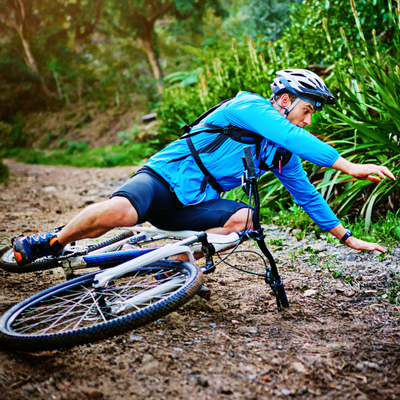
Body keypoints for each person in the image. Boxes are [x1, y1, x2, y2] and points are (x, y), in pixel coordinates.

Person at [13, 69, 395, 266]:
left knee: (246, 219)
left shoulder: (279, 152)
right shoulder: (248, 106)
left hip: (192, 205)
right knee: (123, 212)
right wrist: (347, 165)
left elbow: (308, 196)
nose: (308, 120)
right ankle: (51, 242)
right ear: (283, 99)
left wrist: (347, 237)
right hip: (165, 179)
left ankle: (176, 262)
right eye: (306, 110)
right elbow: (293, 135)